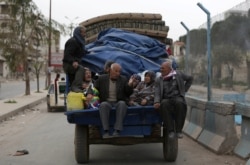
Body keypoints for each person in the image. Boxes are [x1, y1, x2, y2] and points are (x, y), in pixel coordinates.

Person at [154, 59, 193, 139]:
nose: (161, 70)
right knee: (164, 104)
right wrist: (157, 102)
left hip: (177, 97)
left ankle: (179, 131)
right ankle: (170, 130)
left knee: (180, 104)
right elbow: (157, 92)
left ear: (169, 69)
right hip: (166, 99)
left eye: (163, 68)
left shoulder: (178, 74)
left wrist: (184, 90)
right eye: (160, 68)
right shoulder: (159, 79)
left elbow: (190, 78)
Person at [94, 63, 135, 138]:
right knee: (103, 105)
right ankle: (106, 130)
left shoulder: (123, 79)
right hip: (106, 101)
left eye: (119, 72)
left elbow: (128, 93)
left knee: (122, 104)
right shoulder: (102, 79)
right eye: (116, 71)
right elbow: (94, 89)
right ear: (110, 70)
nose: (118, 73)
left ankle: (117, 130)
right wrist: (90, 94)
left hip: (118, 101)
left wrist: (130, 85)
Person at [62, 25, 88, 92]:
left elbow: (82, 52)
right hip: (68, 64)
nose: (84, 34)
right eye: (83, 33)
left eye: (85, 33)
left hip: (75, 64)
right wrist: (73, 61)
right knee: (81, 68)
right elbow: (67, 55)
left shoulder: (80, 42)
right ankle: (76, 86)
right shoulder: (73, 41)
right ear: (78, 33)